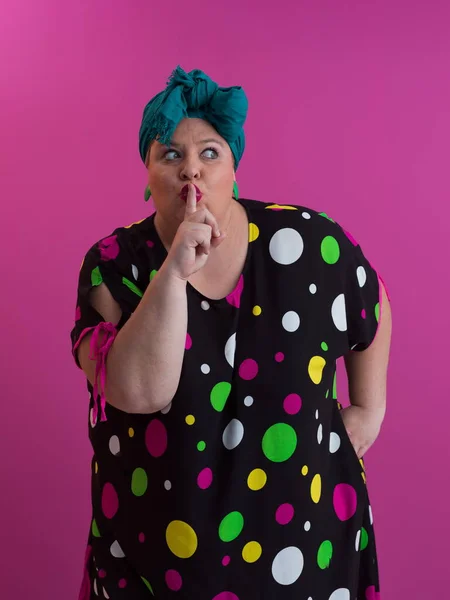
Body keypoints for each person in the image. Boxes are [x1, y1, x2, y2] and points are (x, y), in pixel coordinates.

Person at [71, 65, 392, 600]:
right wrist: (174, 271)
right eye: (170, 154)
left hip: (303, 550)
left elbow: (372, 297)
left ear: (234, 167)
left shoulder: (308, 244)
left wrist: (369, 410)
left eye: (209, 153)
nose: (190, 172)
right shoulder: (115, 264)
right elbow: (138, 390)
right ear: (147, 174)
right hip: (155, 561)